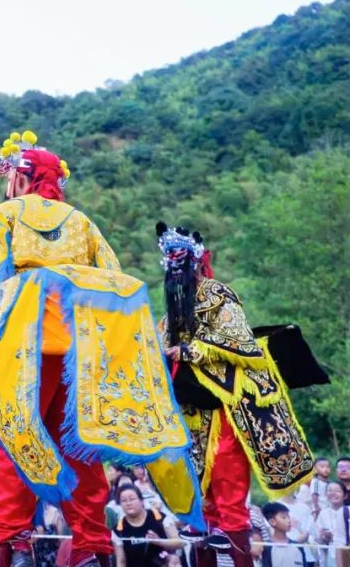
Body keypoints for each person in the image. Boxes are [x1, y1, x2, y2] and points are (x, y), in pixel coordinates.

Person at [0, 130, 200, 567]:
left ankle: (10, 544)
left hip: (25, 345)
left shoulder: (7, 214)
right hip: (79, 350)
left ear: (21, 178)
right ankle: (91, 546)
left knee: (15, 442)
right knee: (82, 449)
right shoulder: (82, 222)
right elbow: (112, 277)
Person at [154, 224, 315, 567]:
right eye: (170, 262)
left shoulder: (218, 295)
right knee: (202, 496)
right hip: (193, 410)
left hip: (228, 404)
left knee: (228, 487)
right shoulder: (170, 314)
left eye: (180, 261)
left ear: (197, 262)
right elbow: (159, 345)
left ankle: (237, 547)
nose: (175, 269)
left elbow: (241, 341)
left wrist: (191, 350)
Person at [111, 486, 180, 567]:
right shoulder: (118, 529)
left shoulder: (159, 517)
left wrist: (159, 541)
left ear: (142, 501)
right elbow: (121, 561)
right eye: (123, 501)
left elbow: (179, 543)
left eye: (132, 499)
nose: (128, 503)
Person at [261, 503, 309, 567]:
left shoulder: (298, 546)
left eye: (288, 517)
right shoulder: (267, 547)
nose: (289, 520)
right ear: (272, 522)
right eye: (284, 517)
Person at [315, 482, 349, 567]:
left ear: (345, 495)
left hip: (347, 555)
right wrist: (324, 537)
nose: (333, 493)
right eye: (330, 490)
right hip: (330, 557)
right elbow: (318, 538)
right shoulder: (323, 514)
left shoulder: (348, 511)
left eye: (337, 491)